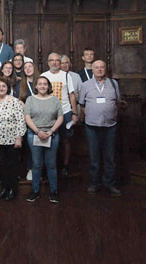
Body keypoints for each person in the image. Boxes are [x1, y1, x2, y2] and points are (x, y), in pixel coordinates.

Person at [79, 60, 122, 196]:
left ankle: (110, 184)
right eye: (96, 68)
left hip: (110, 126)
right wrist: (92, 114)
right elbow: (82, 104)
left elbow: (118, 103)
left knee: (110, 157)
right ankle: (94, 184)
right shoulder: (86, 85)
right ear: (92, 70)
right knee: (94, 156)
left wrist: (110, 113)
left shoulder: (114, 84)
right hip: (92, 126)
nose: (99, 70)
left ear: (105, 69)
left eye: (101, 67)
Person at [24, 76, 64, 203]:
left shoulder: (55, 100)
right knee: (36, 164)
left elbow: (60, 117)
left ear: (48, 86)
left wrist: (51, 131)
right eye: (39, 84)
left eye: (45, 84)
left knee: (51, 164)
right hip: (34, 134)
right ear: (36, 86)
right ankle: (35, 191)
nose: (42, 86)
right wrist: (37, 131)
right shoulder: (30, 99)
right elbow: (27, 117)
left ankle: (53, 191)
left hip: (52, 134)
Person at [41, 52, 78, 178]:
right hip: (48, 113)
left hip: (65, 112)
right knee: (48, 140)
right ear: (48, 62)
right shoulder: (43, 76)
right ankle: (50, 166)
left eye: (57, 60)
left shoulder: (66, 76)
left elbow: (71, 95)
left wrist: (74, 113)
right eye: (52, 60)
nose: (55, 62)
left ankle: (65, 166)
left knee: (66, 140)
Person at [0, 77, 26, 200]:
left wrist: (19, 137)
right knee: (2, 166)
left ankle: (13, 190)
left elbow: (21, 120)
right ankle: (4, 189)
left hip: (12, 139)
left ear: (8, 88)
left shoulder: (14, 101)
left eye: (3, 86)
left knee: (12, 167)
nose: (1, 88)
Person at [19, 61, 41, 181]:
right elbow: (19, 100)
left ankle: (40, 169)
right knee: (30, 145)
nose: (27, 69)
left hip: (41, 118)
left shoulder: (41, 81)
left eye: (30, 67)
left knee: (42, 145)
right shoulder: (21, 84)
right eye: (25, 68)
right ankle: (31, 169)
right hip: (28, 119)